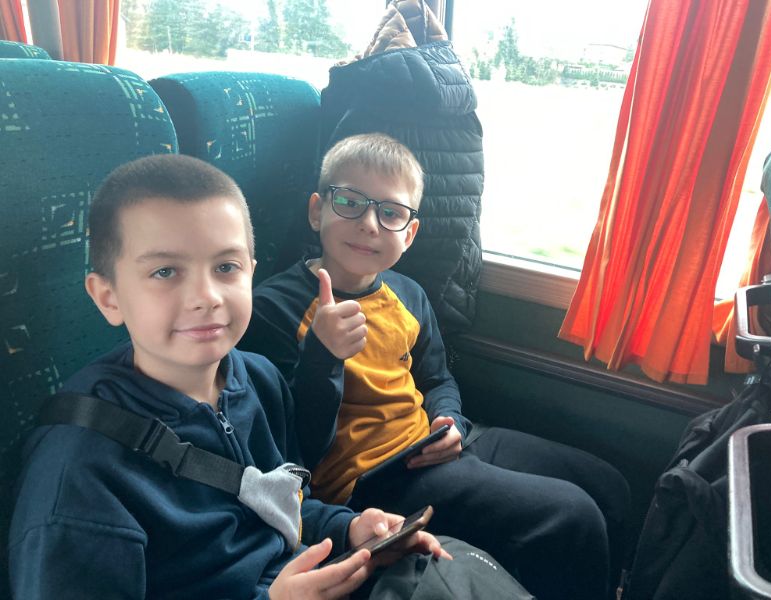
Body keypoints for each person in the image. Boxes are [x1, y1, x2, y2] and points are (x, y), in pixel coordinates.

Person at [7, 154, 462, 599]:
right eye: (165, 271)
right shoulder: (80, 478)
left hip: (301, 573)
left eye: (226, 267)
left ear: (251, 274)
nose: (206, 296)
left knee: (449, 567)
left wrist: (350, 529)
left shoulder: (258, 380)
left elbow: (281, 501)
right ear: (108, 297)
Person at [239, 133, 632, 600]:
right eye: (349, 202)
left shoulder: (408, 293)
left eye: (391, 213)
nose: (369, 224)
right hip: (375, 479)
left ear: (409, 234)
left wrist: (451, 421)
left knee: (608, 486)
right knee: (571, 515)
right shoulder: (272, 310)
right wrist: (323, 356)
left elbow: (437, 378)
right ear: (316, 211)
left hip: (434, 442)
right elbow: (292, 448)